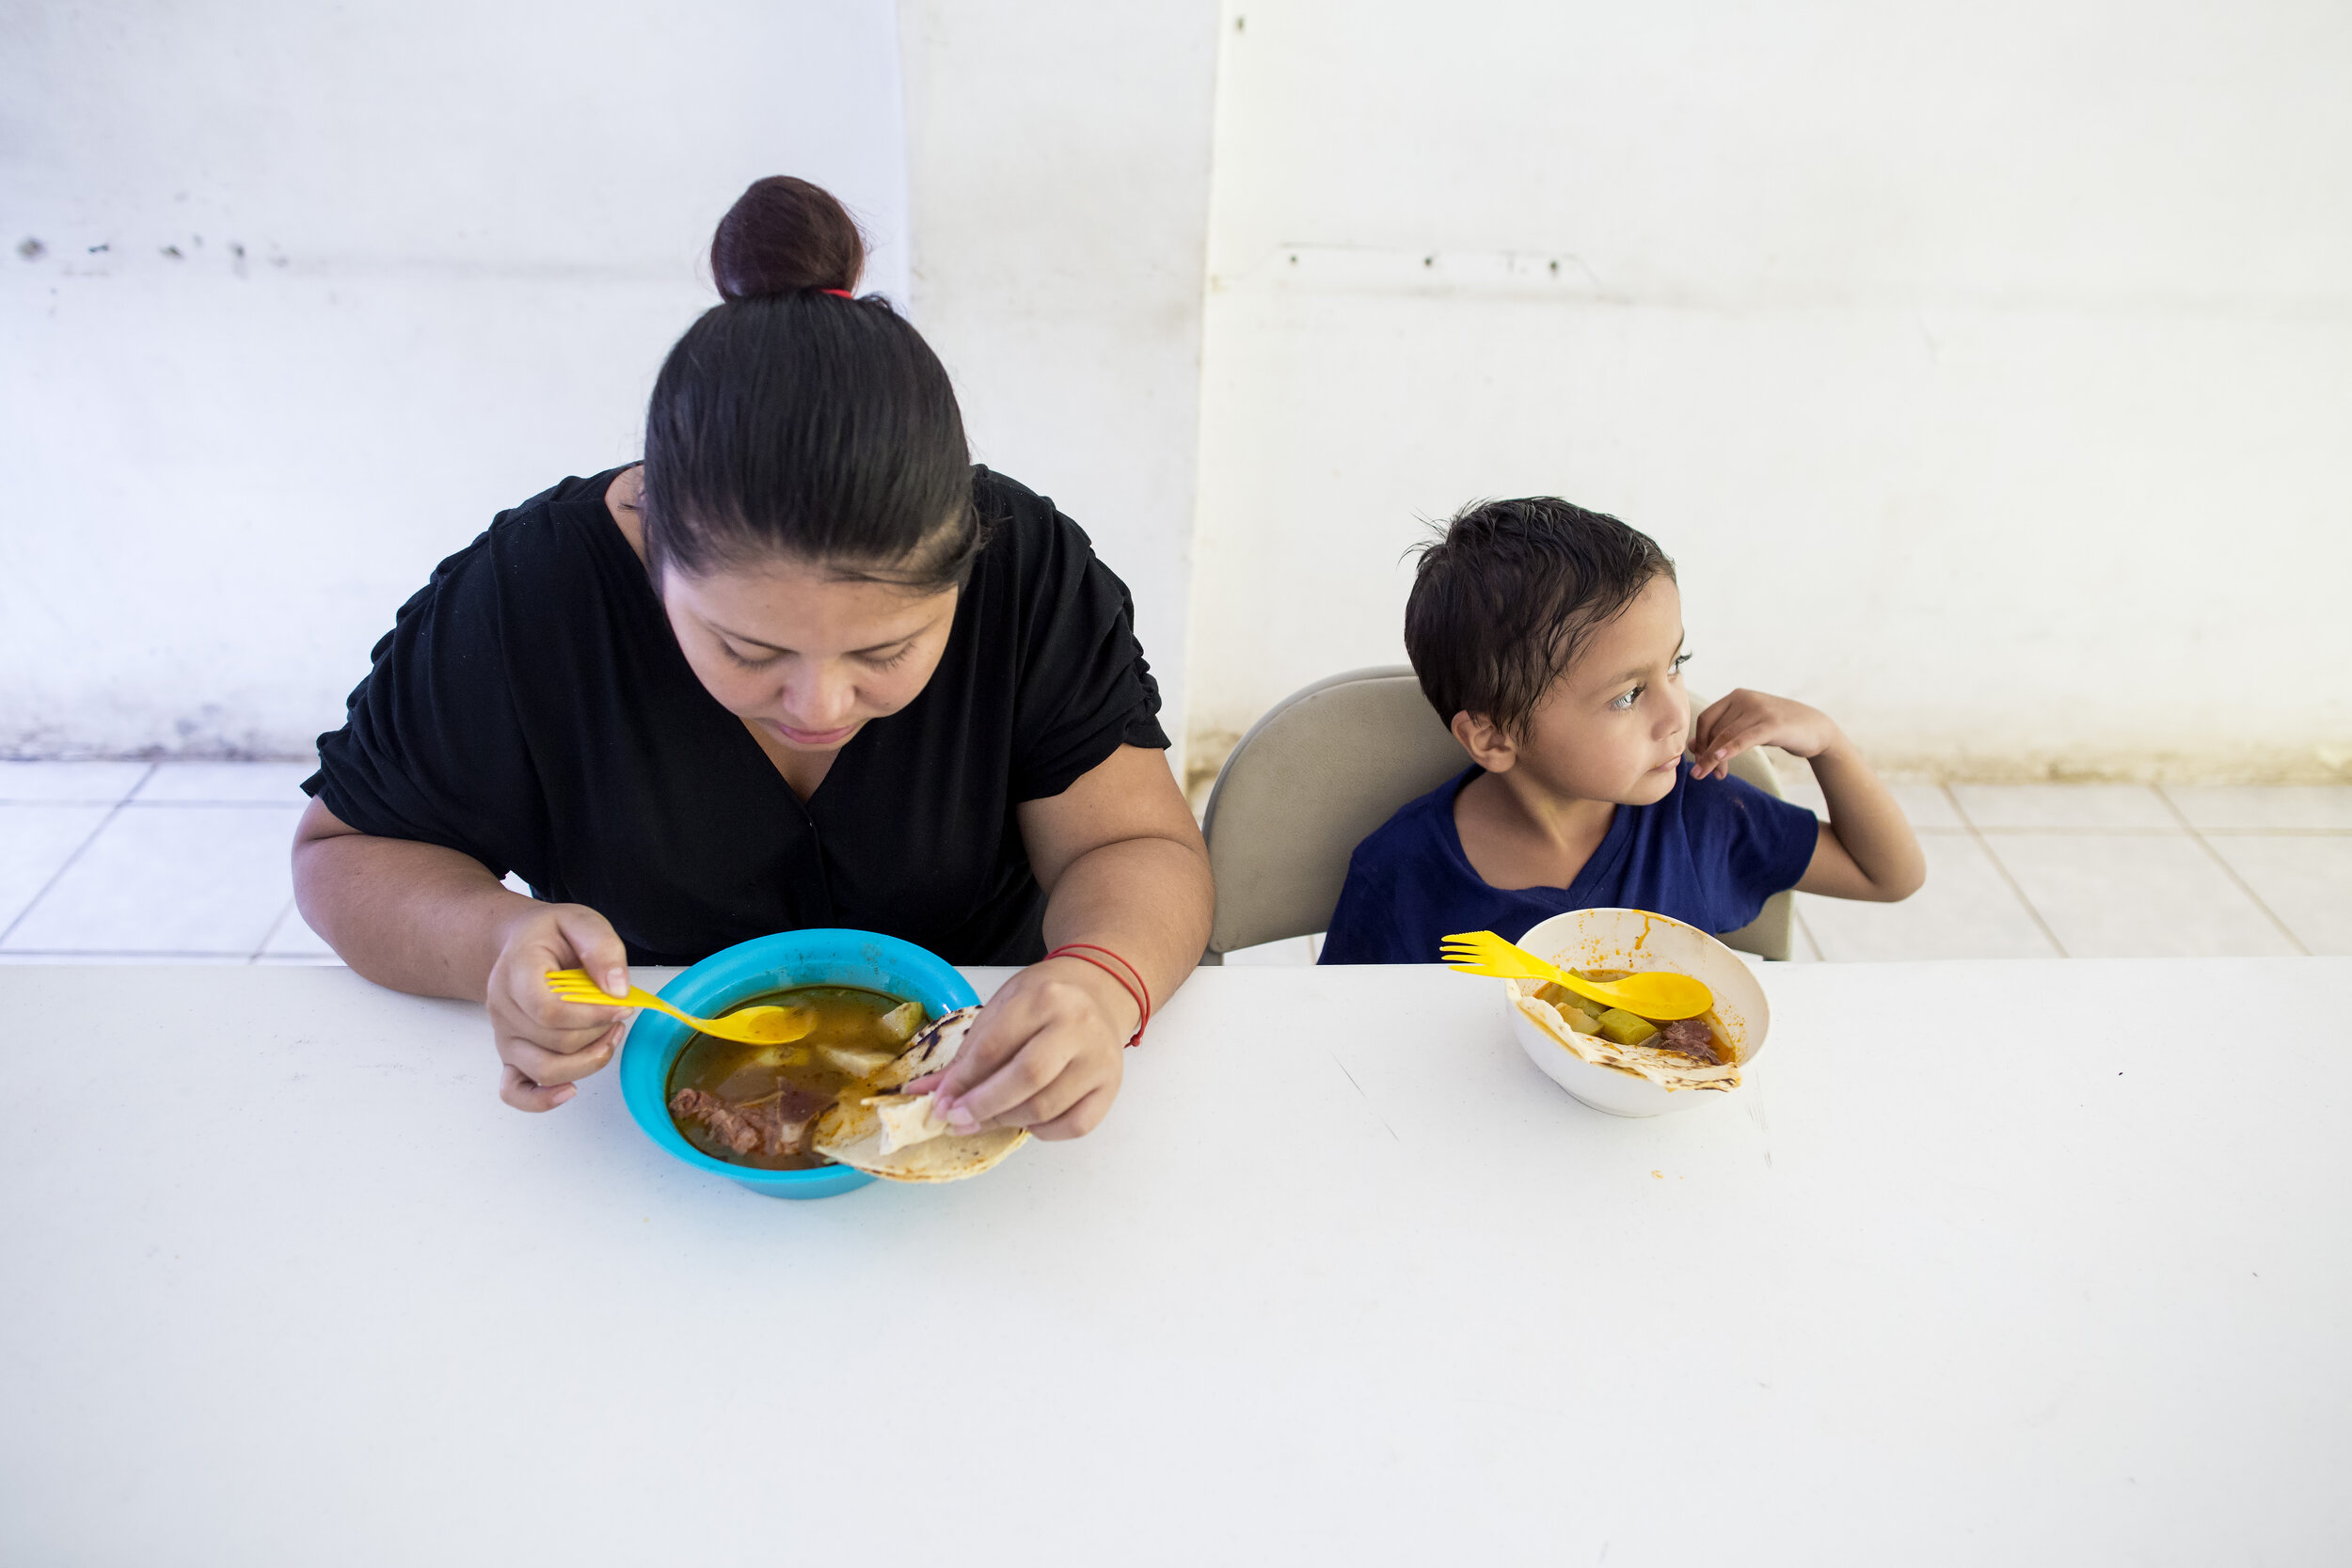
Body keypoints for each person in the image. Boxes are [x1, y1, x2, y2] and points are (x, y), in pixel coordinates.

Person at [293, 176, 1212, 1140]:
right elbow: (345, 856)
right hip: (641, 1121)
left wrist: (1099, 982)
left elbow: (1134, 845)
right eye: (746, 646)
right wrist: (498, 940)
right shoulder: (531, 591)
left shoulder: (1028, 566)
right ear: (652, 548)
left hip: (991, 1095)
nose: (818, 702)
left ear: (964, 564)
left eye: (886, 648)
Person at [1319, 497, 1923, 964]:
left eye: (1676, 666)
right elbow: (1347, 1036)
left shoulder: (1698, 813)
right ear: (1495, 737)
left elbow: (1889, 876)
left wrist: (1831, 747)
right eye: (1628, 695)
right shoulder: (1401, 872)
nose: (1675, 716)